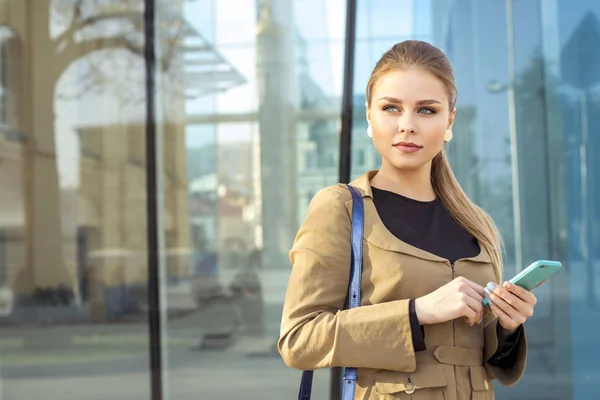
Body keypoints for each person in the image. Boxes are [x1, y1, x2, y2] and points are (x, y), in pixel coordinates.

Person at [279, 40, 536, 399]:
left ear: (450, 119)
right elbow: (299, 339)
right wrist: (418, 312)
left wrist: (509, 325)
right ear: (369, 115)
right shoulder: (341, 208)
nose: (407, 125)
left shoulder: (475, 223)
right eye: (391, 108)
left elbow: (490, 362)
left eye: (426, 110)